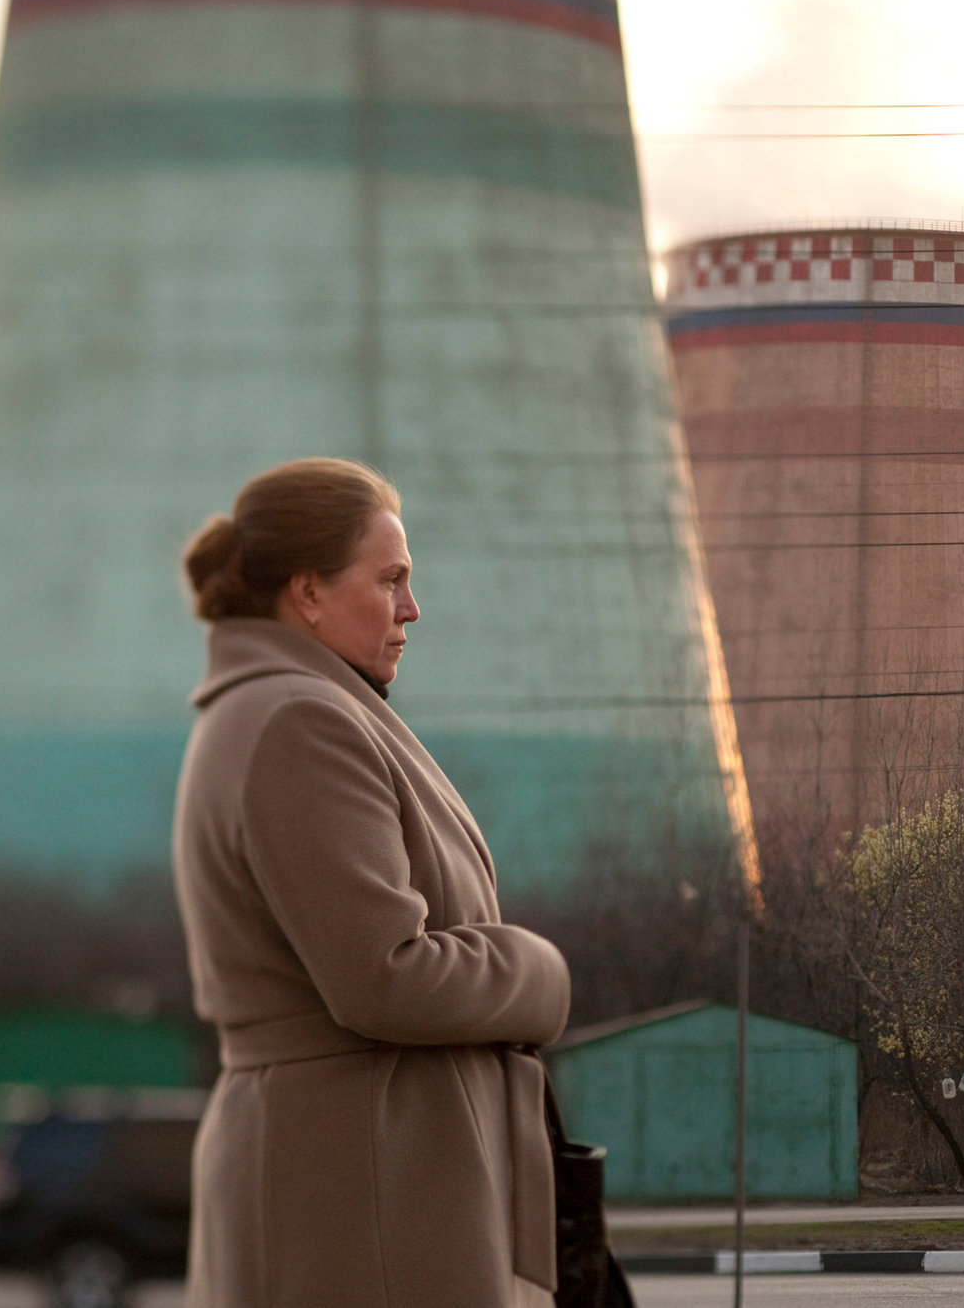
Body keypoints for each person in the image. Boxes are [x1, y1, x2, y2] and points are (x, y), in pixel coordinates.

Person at [173, 458, 570, 1308]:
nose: (411, 608)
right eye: (390, 580)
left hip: (355, 1181)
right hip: (361, 1197)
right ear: (309, 591)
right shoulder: (300, 720)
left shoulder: (285, 708)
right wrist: (540, 973)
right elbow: (383, 977)